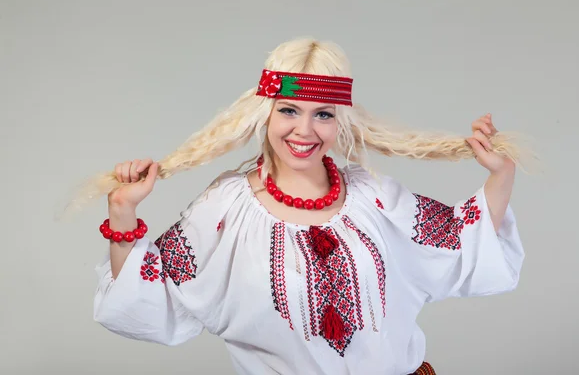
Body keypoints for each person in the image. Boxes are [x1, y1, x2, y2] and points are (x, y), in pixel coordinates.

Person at [70, 38, 528, 375]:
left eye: (323, 114)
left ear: (339, 120)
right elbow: (148, 294)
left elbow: (458, 240)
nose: (304, 130)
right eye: (289, 110)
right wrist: (122, 210)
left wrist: (500, 174)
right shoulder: (225, 209)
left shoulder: (374, 197)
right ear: (264, 113)